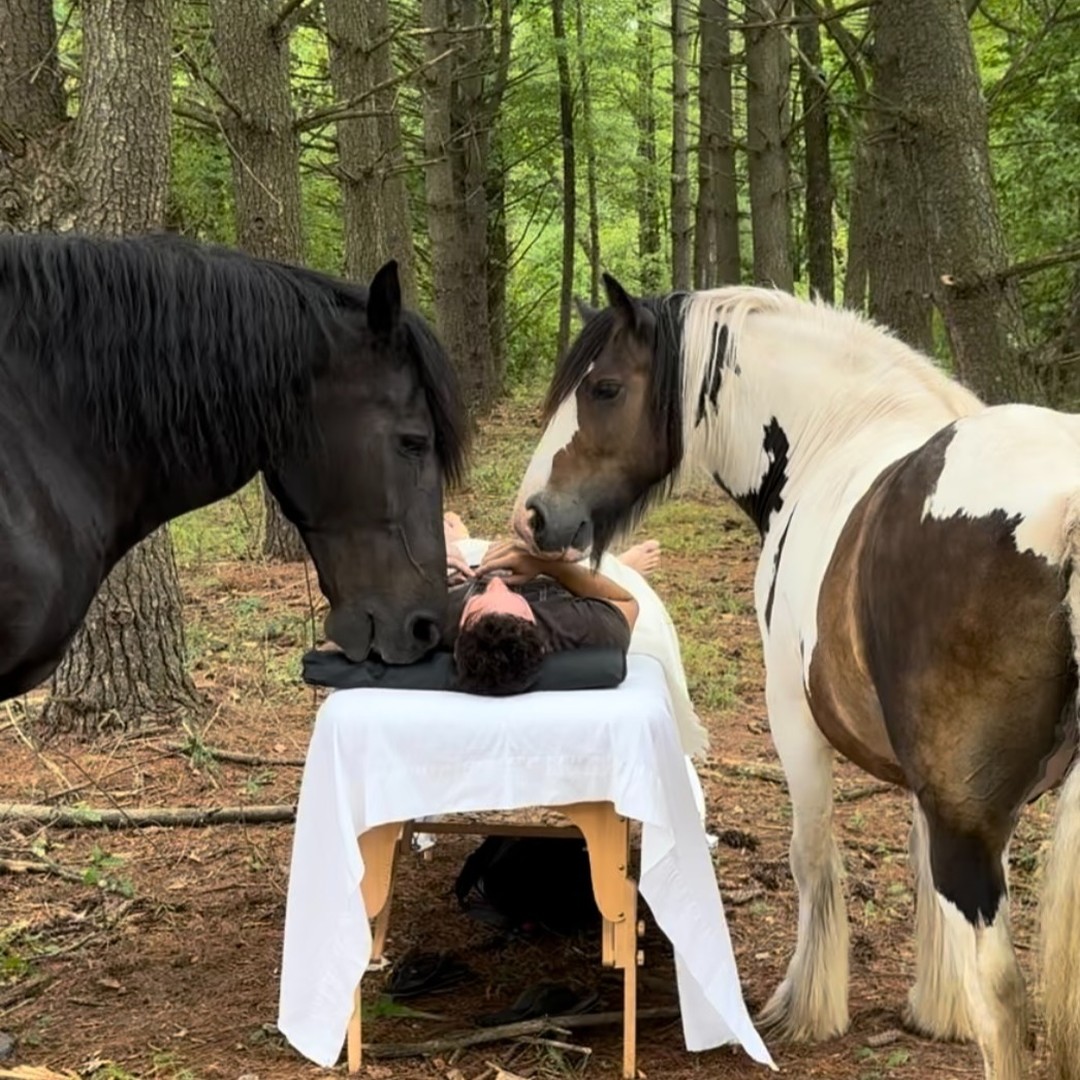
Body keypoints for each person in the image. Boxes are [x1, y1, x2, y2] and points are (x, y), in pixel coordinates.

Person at [444, 512, 659, 697]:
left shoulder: (440, 620)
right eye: (511, 593)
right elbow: (625, 602)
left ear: (462, 624)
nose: (497, 582)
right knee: (592, 566)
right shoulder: (567, 625)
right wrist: (546, 566)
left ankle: (463, 538)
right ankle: (621, 566)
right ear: (531, 617)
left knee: (453, 542)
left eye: (480, 599)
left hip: (471, 563)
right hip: (553, 577)